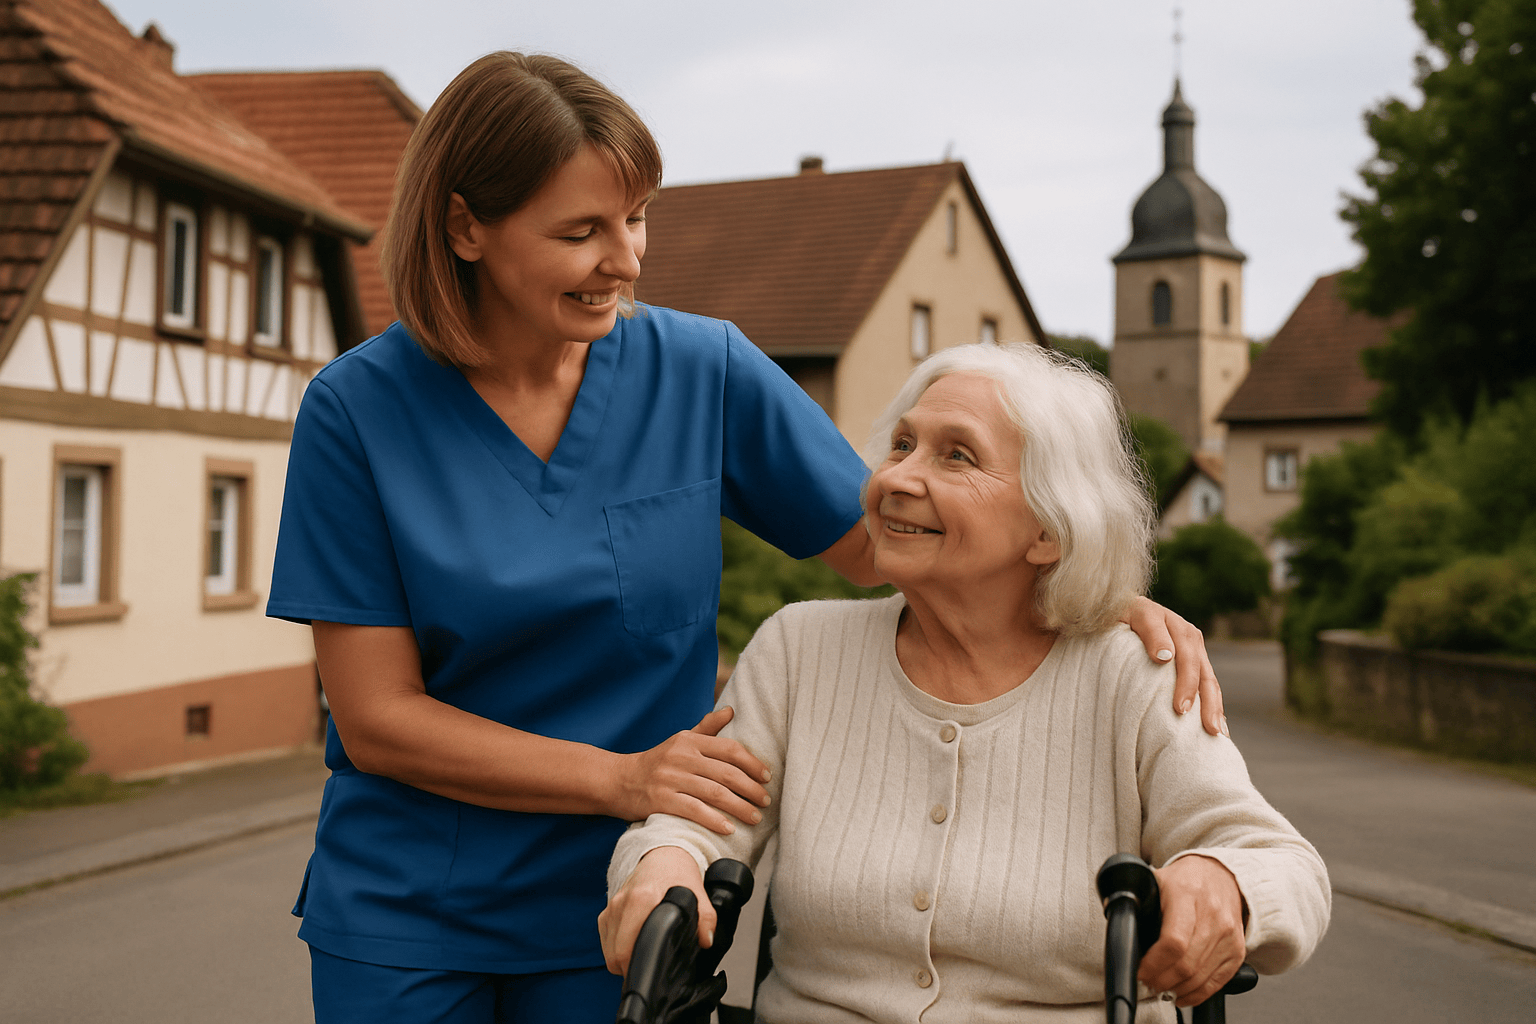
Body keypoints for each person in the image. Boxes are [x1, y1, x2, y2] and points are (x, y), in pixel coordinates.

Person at [268, 53, 1227, 1024]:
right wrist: (621, 777)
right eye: (581, 231)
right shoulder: (357, 411)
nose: (627, 259)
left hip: (637, 905)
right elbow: (377, 716)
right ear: (466, 226)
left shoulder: (701, 371)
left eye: (636, 218)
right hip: (411, 915)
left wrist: (1087, 588)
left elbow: (891, 536)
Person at [602, 343, 1330, 1023]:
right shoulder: (799, 651)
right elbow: (691, 821)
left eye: (957, 457)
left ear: (1048, 528)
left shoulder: (1132, 674)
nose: (895, 479)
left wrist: (1221, 885)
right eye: (900, 445)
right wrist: (663, 862)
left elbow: (1283, 867)